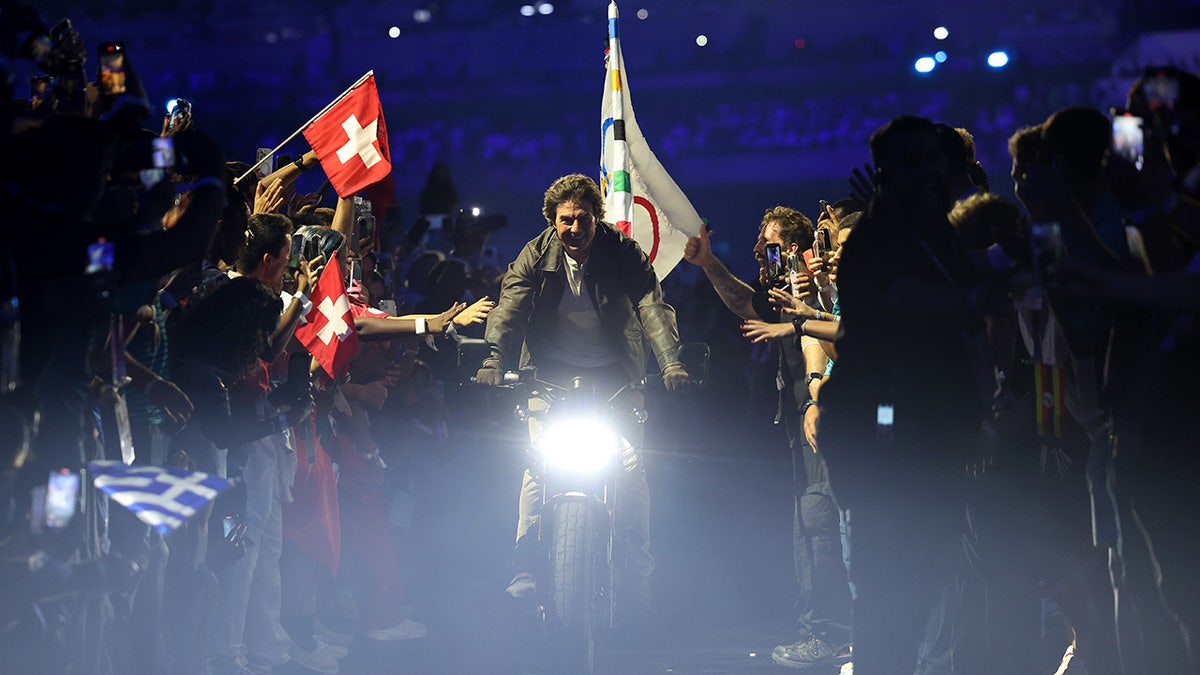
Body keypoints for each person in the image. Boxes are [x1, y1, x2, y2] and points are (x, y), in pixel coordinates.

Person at [817, 116, 997, 674]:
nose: (929, 173)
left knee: (921, 584)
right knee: (889, 593)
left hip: (928, 435)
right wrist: (979, 299)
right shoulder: (878, 237)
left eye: (935, 162)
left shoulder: (931, 230)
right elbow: (905, 300)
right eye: (913, 163)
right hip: (885, 436)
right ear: (888, 171)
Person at [475, 173, 690, 623]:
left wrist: (670, 362)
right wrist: (494, 359)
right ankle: (525, 570)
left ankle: (638, 575)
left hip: (616, 378)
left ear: (598, 218)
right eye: (566, 220)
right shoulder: (533, 256)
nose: (575, 229)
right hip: (549, 379)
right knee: (536, 469)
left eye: (584, 219)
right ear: (552, 221)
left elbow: (651, 304)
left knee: (633, 472)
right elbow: (509, 308)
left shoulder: (622, 253)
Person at [683, 206, 852, 670]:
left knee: (820, 522)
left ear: (793, 248)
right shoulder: (787, 287)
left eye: (769, 243)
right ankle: (822, 630)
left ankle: (833, 635)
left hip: (823, 416)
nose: (759, 250)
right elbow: (745, 302)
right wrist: (709, 265)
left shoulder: (813, 286)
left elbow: (821, 338)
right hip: (806, 418)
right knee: (809, 520)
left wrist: (816, 400)